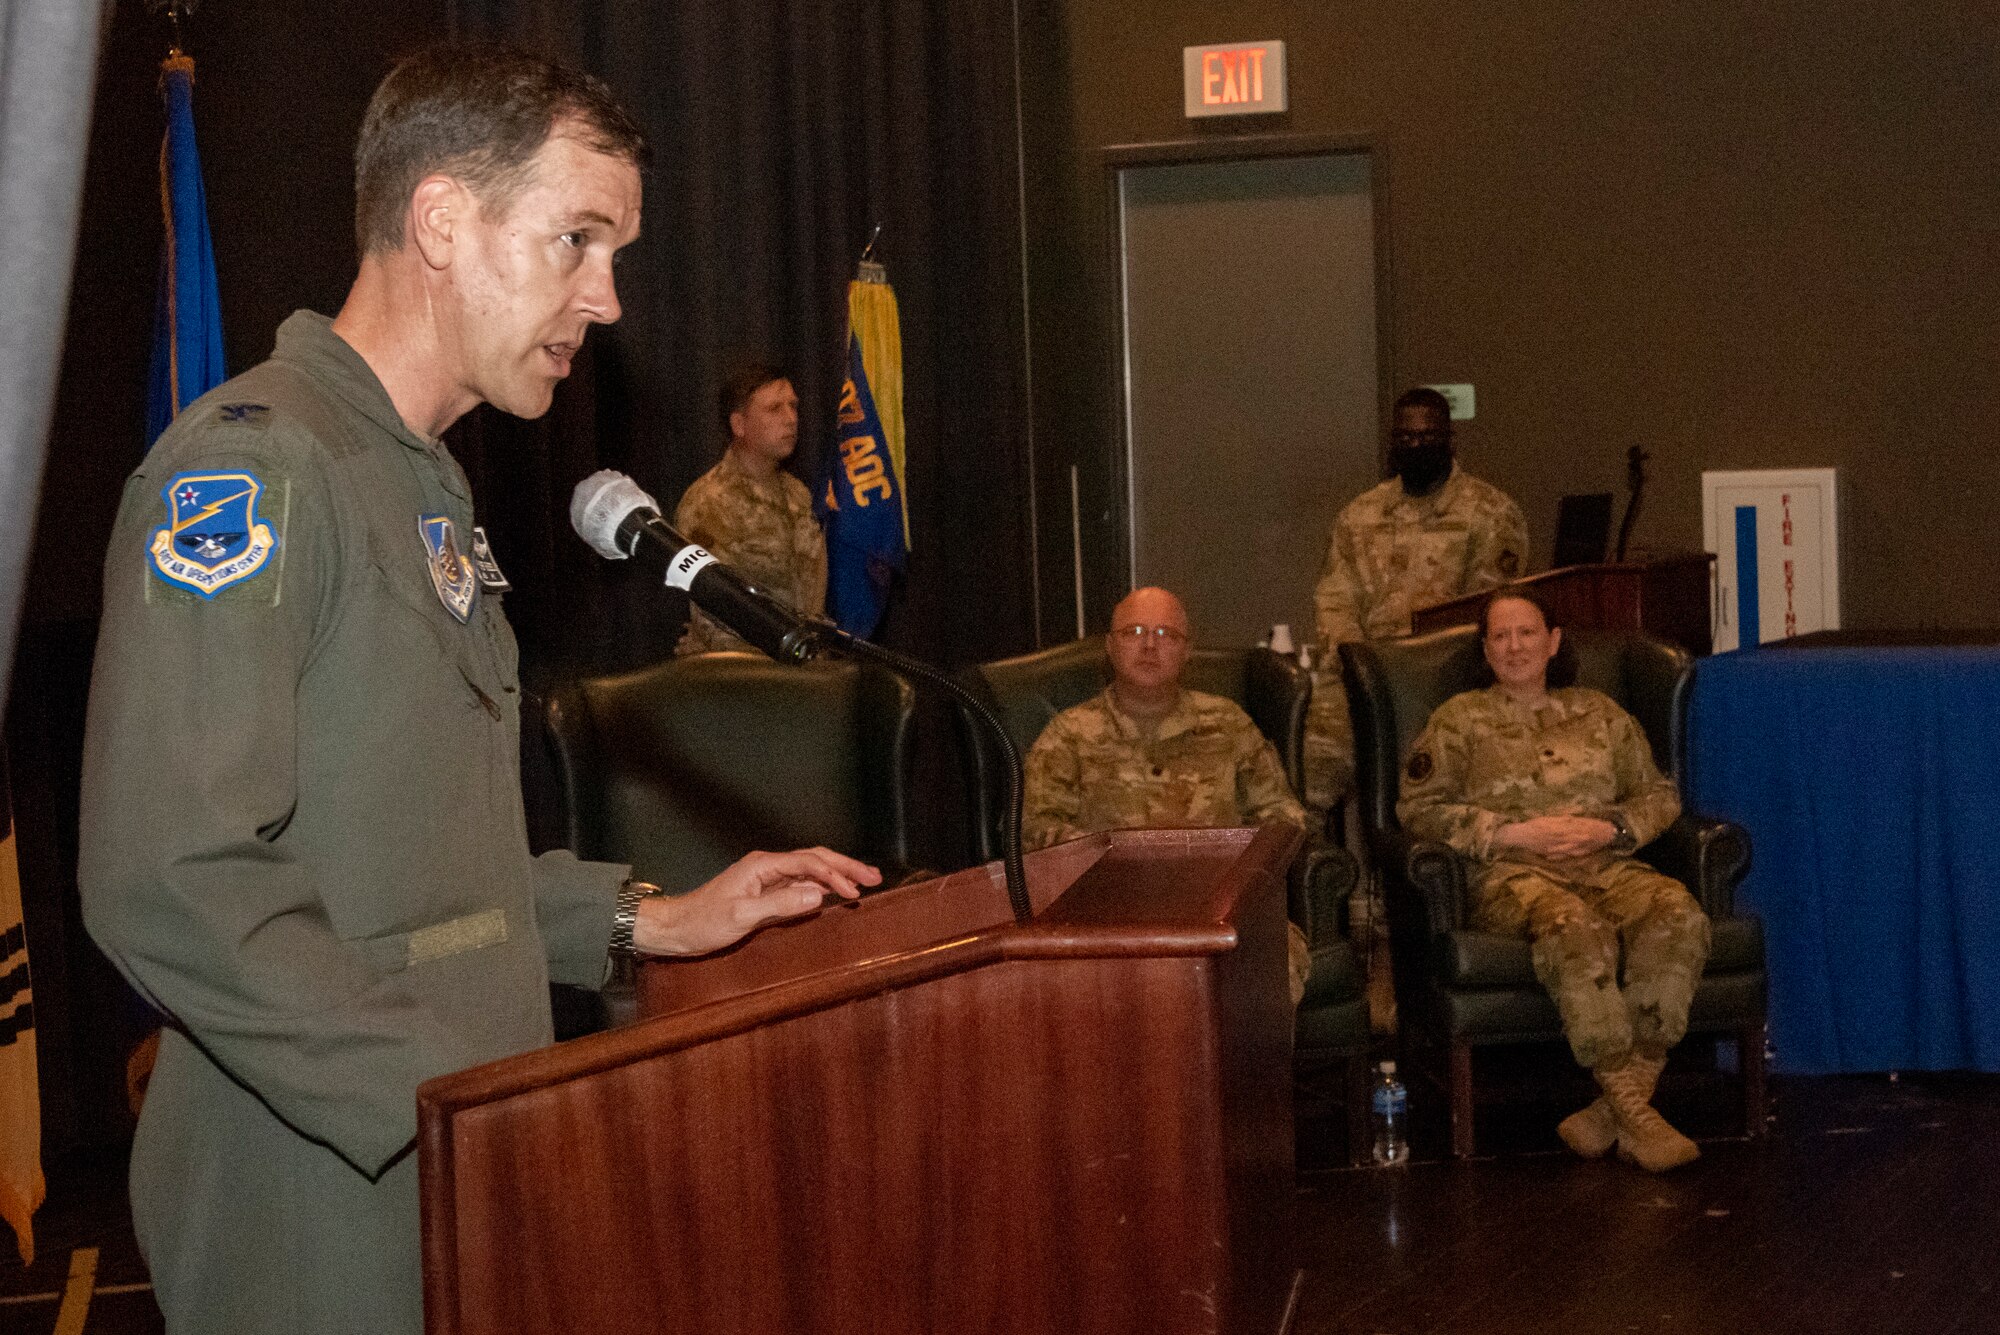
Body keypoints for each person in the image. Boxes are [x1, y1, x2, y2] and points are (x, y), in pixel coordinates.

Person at [76, 44, 878, 1335]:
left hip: (442, 1166)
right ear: (443, 220)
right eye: (577, 240)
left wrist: (643, 919)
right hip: (319, 1199)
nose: (606, 298)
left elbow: (409, 866)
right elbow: (171, 875)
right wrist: (465, 1098)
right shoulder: (258, 474)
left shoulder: (420, 477)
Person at [1396, 588, 1710, 1172]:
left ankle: (1614, 1108)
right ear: (1485, 650)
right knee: (1573, 925)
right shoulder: (1458, 721)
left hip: (1608, 863)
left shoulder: (1601, 713)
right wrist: (1510, 834)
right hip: (1512, 876)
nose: (1515, 647)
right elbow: (1417, 808)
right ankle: (1636, 1111)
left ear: (1554, 641)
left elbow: (1660, 795)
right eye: (1501, 636)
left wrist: (1610, 830)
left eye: (1528, 633)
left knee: (1678, 912)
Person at [1022, 586, 1314, 1000]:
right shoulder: (1069, 736)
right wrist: (1113, 859)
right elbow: (1033, 831)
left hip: (1221, 911)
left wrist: (1231, 866)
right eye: (1134, 631)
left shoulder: (1229, 726)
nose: (1148, 645)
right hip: (1106, 918)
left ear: (1187, 650)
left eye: (1166, 635)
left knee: (1275, 963)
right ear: (1109, 646)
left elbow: (1286, 818)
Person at [1305, 387, 1529, 808]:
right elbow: (1334, 598)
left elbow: (1487, 613)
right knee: (1312, 768)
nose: (1416, 446)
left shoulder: (1490, 512)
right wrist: (1355, 660)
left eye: (1427, 438)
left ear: (1449, 440)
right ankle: (1319, 864)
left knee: (1435, 776)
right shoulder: (1360, 514)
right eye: (1406, 439)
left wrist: (1412, 664)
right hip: (1362, 671)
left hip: (1446, 676)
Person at [672, 362, 827, 656]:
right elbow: (713, 619)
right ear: (739, 425)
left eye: (793, 406)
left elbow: (811, 596)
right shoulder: (708, 502)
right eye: (774, 409)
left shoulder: (798, 493)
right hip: (742, 681)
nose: (791, 418)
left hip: (804, 672)